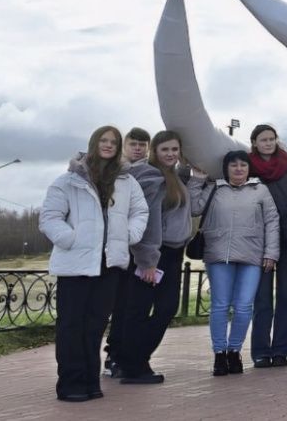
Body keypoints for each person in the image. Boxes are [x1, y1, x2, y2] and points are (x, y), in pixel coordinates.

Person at [40, 126, 148, 402]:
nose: (109, 145)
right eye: (103, 140)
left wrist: (128, 235)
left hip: (109, 263)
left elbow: (140, 212)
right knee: (71, 325)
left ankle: (90, 381)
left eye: (113, 141)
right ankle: (70, 383)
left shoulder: (126, 181)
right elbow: (50, 217)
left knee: (96, 324)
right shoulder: (68, 181)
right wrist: (70, 238)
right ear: (93, 143)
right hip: (75, 263)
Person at [190, 150, 280, 377]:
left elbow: (272, 221)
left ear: (249, 168)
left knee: (243, 307)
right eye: (233, 165)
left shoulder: (260, 190)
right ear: (226, 168)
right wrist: (197, 180)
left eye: (243, 165)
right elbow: (194, 208)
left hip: (251, 256)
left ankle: (234, 351)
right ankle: (219, 353)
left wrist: (271, 252)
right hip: (219, 254)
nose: (238, 169)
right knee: (220, 306)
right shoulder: (214, 188)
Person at [117, 130, 192, 384]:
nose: (170, 154)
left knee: (166, 308)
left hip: (173, 253)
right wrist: (147, 260)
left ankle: (133, 359)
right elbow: (147, 220)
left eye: (174, 149)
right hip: (155, 254)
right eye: (165, 150)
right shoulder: (151, 176)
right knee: (140, 310)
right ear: (155, 152)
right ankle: (132, 365)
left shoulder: (173, 177)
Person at [246, 124, 287, 369]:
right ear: (254, 142)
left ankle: (281, 350)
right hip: (259, 240)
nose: (268, 143)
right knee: (261, 298)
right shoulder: (248, 165)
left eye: (272, 139)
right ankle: (260, 351)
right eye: (263, 139)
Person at [104, 126, 154, 376]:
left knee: (130, 306)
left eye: (142, 144)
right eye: (133, 144)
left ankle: (122, 355)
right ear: (125, 145)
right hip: (115, 248)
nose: (138, 148)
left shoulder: (151, 172)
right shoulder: (114, 172)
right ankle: (112, 354)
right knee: (115, 304)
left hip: (140, 249)